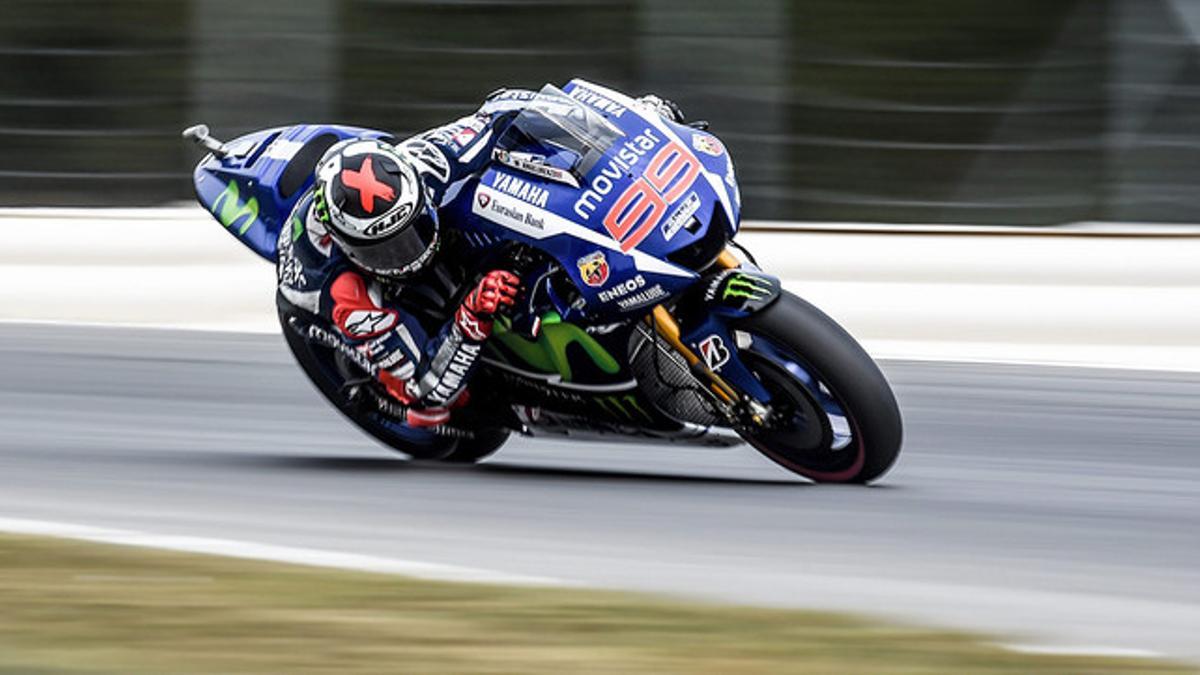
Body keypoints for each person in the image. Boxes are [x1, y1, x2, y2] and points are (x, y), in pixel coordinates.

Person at [276, 87, 683, 429]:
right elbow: (428, 387)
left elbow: (505, 108)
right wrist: (471, 314)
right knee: (430, 411)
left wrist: (628, 123)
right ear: (350, 246)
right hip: (372, 316)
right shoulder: (345, 293)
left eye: (412, 229)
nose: (408, 253)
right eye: (387, 248)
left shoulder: (428, 161)